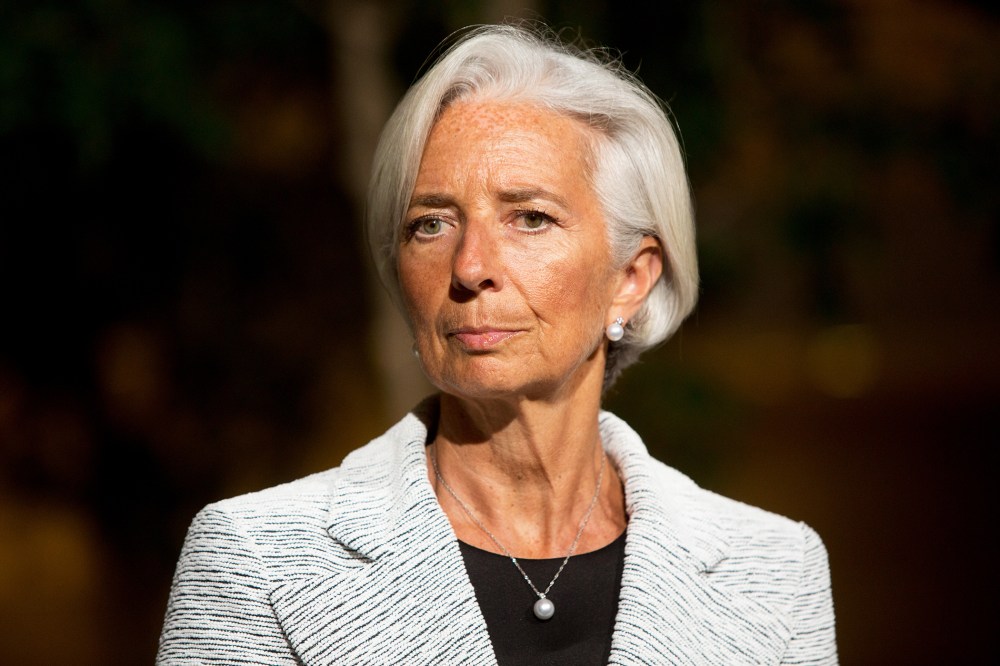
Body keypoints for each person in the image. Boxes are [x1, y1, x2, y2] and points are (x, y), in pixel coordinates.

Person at [157, 24, 837, 665]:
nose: (469, 265)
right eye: (431, 223)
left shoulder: (775, 568)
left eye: (530, 218)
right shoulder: (256, 560)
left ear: (630, 278)